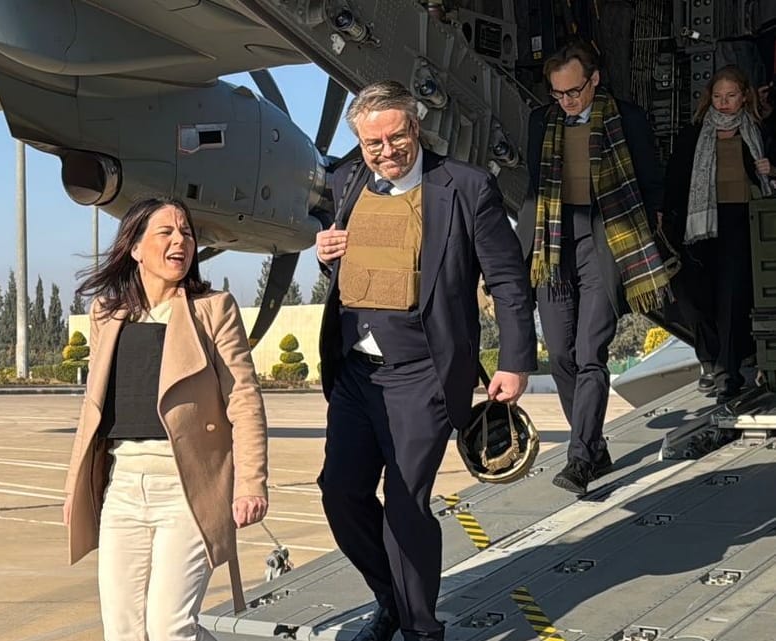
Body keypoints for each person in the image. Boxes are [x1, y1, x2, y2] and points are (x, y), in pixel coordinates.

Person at [315, 80, 536, 641]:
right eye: (373, 143)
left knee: (405, 502)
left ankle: (419, 629)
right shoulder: (344, 181)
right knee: (340, 493)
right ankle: (391, 599)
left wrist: (514, 360)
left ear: (416, 127)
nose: (386, 151)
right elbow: (348, 263)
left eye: (397, 136)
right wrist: (323, 254)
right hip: (355, 371)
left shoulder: (466, 187)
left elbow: (508, 280)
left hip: (423, 373)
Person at [62, 197, 269, 641]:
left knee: (169, 628)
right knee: (123, 630)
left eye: (187, 233)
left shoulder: (212, 309)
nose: (180, 241)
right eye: (166, 232)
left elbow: (244, 400)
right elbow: (93, 408)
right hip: (122, 490)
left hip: (186, 489)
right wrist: (73, 487)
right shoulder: (108, 313)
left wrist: (251, 482)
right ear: (135, 247)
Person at [520, 40, 671, 495]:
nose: (567, 102)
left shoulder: (627, 118)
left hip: (606, 237)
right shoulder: (540, 122)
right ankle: (596, 446)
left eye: (574, 92)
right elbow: (533, 186)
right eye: (558, 94)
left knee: (590, 351)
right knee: (561, 355)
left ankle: (581, 457)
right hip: (554, 240)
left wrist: (652, 228)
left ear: (595, 79)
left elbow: (650, 180)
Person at [663, 66, 774, 404]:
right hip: (699, 228)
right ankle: (713, 359)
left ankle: (726, 374)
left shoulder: (758, 131)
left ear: (744, 97)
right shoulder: (693, 135)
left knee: (731, 297)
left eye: (730, 97)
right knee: (698, 298)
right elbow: (675, 183)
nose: (723, 104)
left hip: (741, 223)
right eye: (717, 97)